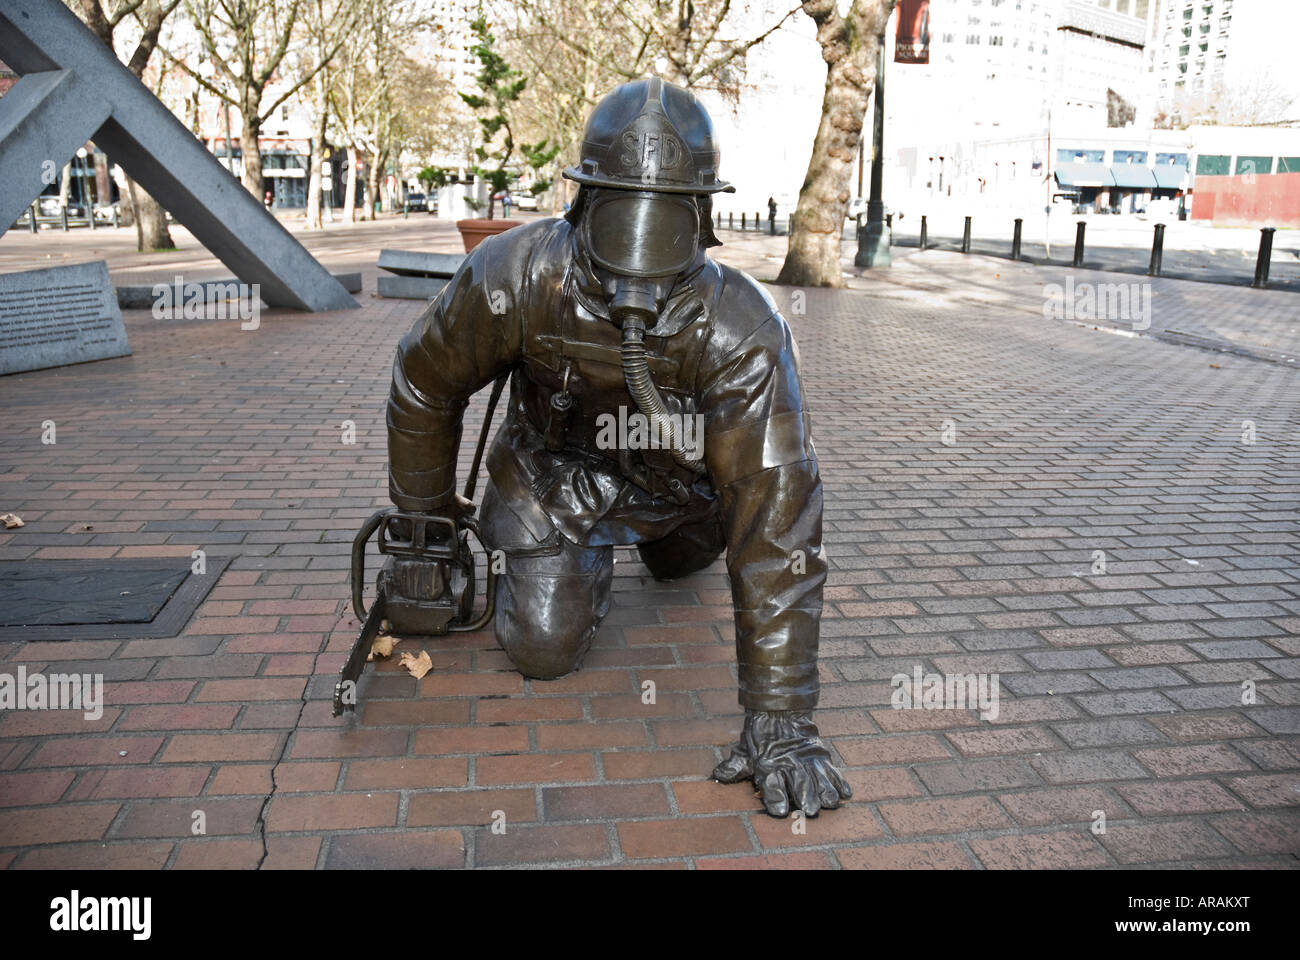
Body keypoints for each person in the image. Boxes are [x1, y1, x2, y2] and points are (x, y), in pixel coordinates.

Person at [385, 78, 849, 818]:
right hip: (554, 480)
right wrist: (423, 531)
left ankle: (664, 544)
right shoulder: (514, 273)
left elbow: (776, 517)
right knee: (540, 648)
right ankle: (579, 555)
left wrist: (782, 719)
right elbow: (423, 384)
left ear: (701, 220)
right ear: (580, 205)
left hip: (682, 488)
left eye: (663, 225)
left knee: (686, 559)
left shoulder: (742, 327)